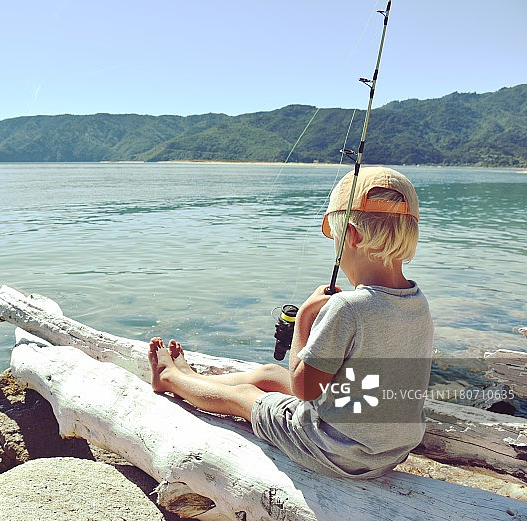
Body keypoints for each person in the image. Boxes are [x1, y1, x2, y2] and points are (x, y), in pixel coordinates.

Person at [149, 166, 433, 479]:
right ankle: (192, 377)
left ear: (350, 237)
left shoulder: (348, 308)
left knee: (245, 396)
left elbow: (303, 390)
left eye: (334, 239)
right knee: (270, 373)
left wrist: (304, 320)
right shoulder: (417, 301)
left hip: (337, 451)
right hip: (390, 449)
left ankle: (169, 378)